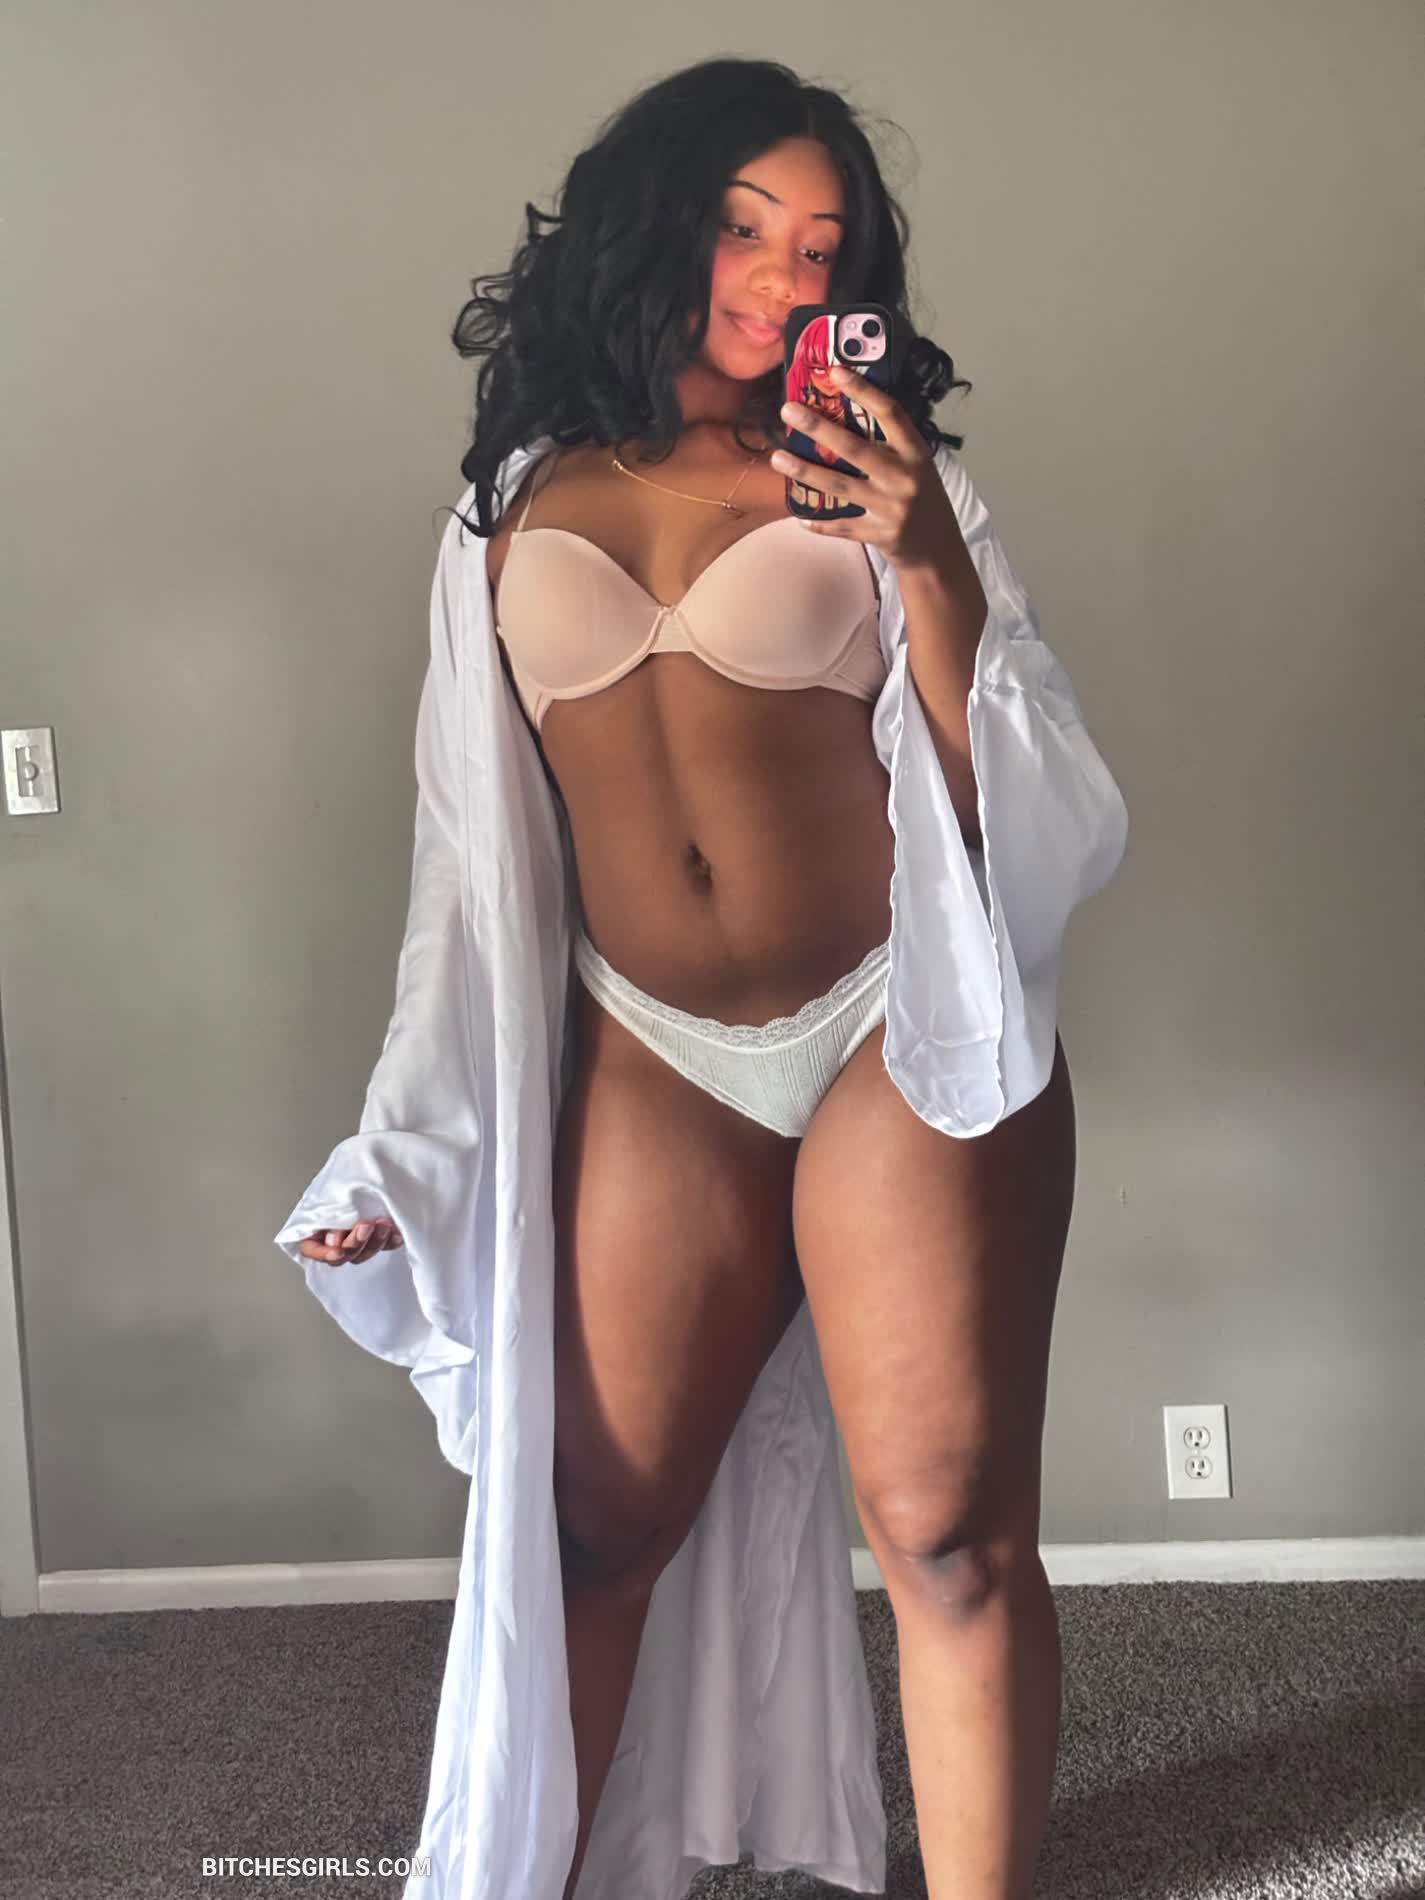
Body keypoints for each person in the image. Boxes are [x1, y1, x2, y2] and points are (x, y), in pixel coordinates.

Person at [275, 55, 1129, 1900]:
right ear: (653, 225)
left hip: (893, 1021)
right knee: (593, 1523)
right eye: (745, 228)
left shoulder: (890, 487)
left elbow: (1010, 808)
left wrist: (921, 557)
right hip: (654, 1047)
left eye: (819, 247)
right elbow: (466, 863)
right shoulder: (509, 503)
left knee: (948, 1529)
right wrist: (405, 1146)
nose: (780, 276)